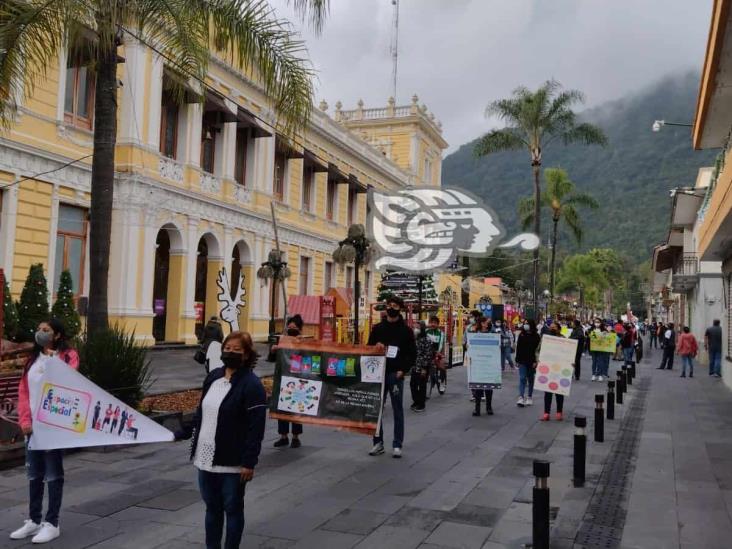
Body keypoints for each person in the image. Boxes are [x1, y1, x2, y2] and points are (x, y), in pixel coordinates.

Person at [175, 331, 266, 549]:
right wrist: (184, 431)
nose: (230, 353)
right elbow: (202, 411)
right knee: (212, 509)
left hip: (232, 462)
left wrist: (249, 462)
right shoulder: (213, 377)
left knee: (233, 509)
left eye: (237, 350)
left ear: (246, 355)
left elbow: (256, 428)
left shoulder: (252, 385)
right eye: (227, 348)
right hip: (205, 458)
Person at [11, 319, 79, 544]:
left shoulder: (68, 356)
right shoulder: (32, 361)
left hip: (53, 427)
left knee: (53, 475)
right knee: (34, 475)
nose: (40, 332)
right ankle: (33, 519)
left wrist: (52, 360)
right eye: (39, 329)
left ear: (57, 335)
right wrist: (24, 420)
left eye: (46, 330)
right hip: (33, 428)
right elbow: (24, 392)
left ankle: (52, 523)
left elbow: (68, 382)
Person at [367, 296, 416, 459]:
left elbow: (412, 353)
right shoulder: (377, 328)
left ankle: (397, 444)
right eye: (389, 305)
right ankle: (377, 442)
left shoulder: (406, 331)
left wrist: (403, 370)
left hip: (395, 374)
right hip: (378, 373)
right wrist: (376, 347)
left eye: (394, 305)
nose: (391, 308)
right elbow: (368, 348)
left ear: (400, 308)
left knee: (397, 409)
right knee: (376, 410)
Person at [274, 315, 305, 449]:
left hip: (297, 380)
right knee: (282, 408)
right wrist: (273, 350)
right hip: (283, 379)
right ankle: (283, 436)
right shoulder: (282, 340)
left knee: (296, 408)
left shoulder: (304, 341)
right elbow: (272, 358)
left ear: (299, 329)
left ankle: (296, 437)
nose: (291, 329)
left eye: (294, 327)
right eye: (290, 327)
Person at [541, 322, 566, 421]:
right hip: (548, 368)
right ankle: (546, 413)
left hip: (560, 368)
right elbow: (539, 350)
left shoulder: (564, 339)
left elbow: (569, 352)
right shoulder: (545, 339)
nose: (552, 329)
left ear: (559, 329)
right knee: (548, 392)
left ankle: (559, 412)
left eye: (554, 327)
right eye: (550, 327)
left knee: (559, 392)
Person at [471, 316, 494, 416]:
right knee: (478, 386)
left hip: (489, 362)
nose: (487, 324)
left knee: (489, 386)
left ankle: (489, 407)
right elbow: (468, 344)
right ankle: (477, 408)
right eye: (485, 322)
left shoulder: (492, 334)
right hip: (478, 362)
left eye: (488, 322)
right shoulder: (475, 334)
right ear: (481, 323)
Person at [515, 319, 540, 407]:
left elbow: (537, 350)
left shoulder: (536, 336)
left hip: (532, 361)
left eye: (527, 324)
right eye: (524, 324)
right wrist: (517, 360)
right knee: (522, 378)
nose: (525, 325)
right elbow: (518, 348)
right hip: (522, 360)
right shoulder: (521, 335)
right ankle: (521, 397)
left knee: (530, 379)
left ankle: (529, 397)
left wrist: (536, 361)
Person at [410, 322, 433, 413]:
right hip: (415, 366)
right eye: (415, 327)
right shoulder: (415, 339)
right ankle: (416, 401)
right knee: (413, 384)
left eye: (417, 327)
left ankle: (421, 404)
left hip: (423, 366)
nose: (415, 328)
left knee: (422, 385)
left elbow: (428, 354)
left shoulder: (426, 339)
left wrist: (424, 368)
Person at [426, 316, 447, 395]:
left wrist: (438, 353)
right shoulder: (426, 331)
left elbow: (441, 344)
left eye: (435, 323)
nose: (433, 324)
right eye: (432, 322)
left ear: (438, 324)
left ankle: (442, 382)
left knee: (442, 367)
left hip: (438, 353)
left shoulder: (441, 333)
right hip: (428, 353)